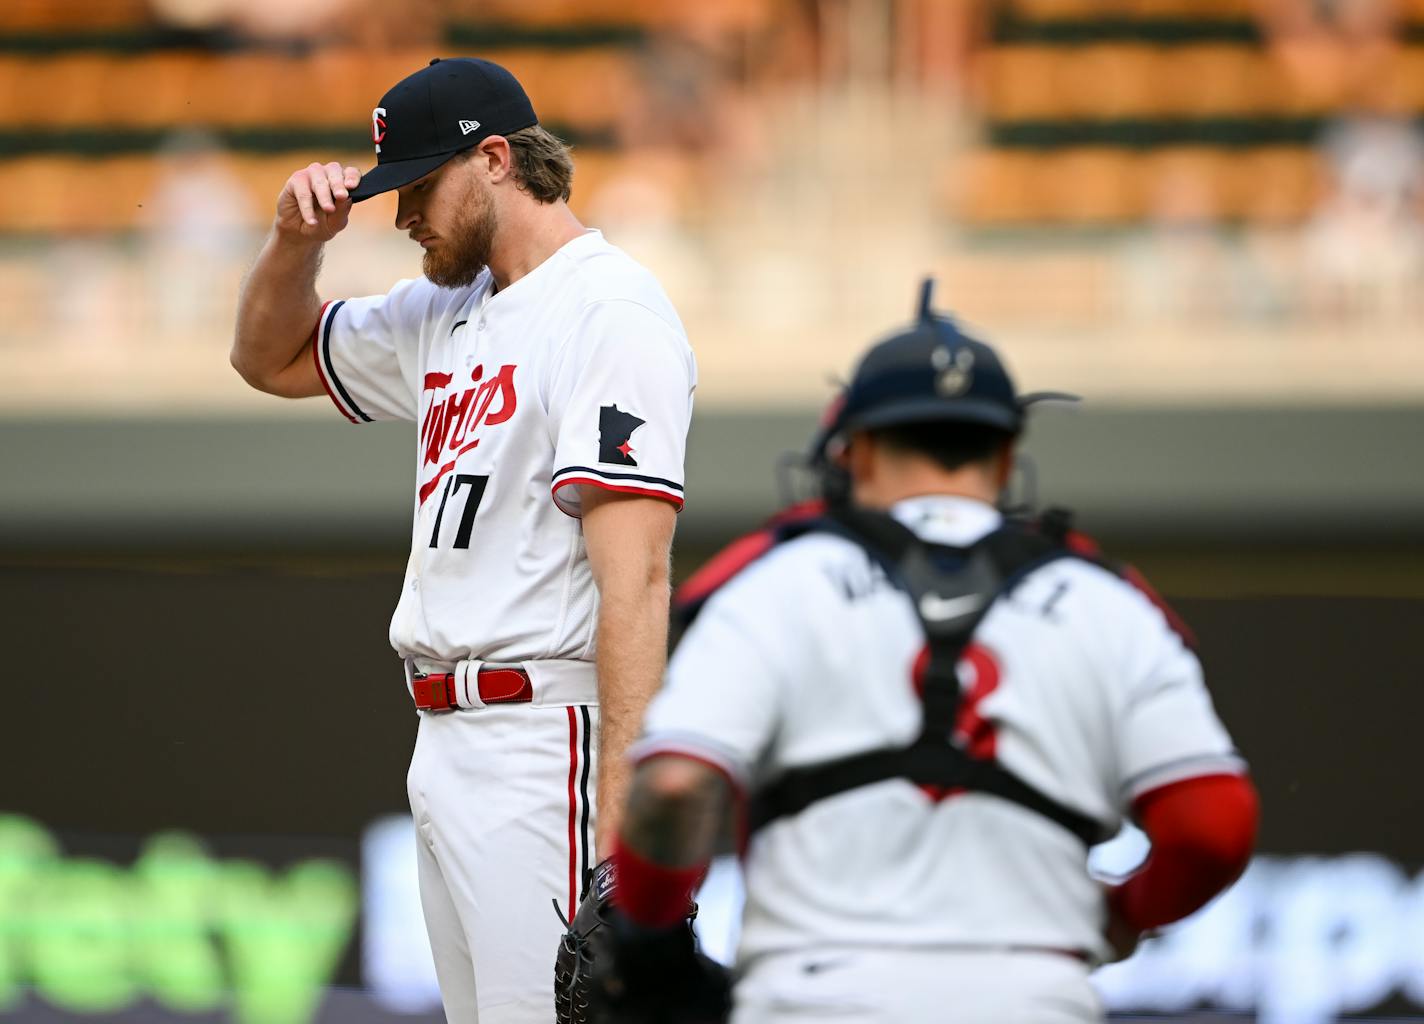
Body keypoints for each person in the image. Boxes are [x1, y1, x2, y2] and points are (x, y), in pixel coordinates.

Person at [598, 284, 1258, 1023]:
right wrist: (1126, 911)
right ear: (1007, 455)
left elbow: (676, 789)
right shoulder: (1107, 602)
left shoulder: (777, 583)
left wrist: (648, 939)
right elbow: (1213, 825)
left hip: (818, 992)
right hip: (1033, 994)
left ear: (860, 448)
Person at [230, 57, 696, 1024]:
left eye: (417, 184)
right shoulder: (449, 309)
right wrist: (291, 244)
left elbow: (639, 582)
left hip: (545, 736)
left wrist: (622, 852)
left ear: (494, 159)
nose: (400, 214)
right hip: (446, 739)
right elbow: (266, 357)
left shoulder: (606, 310)